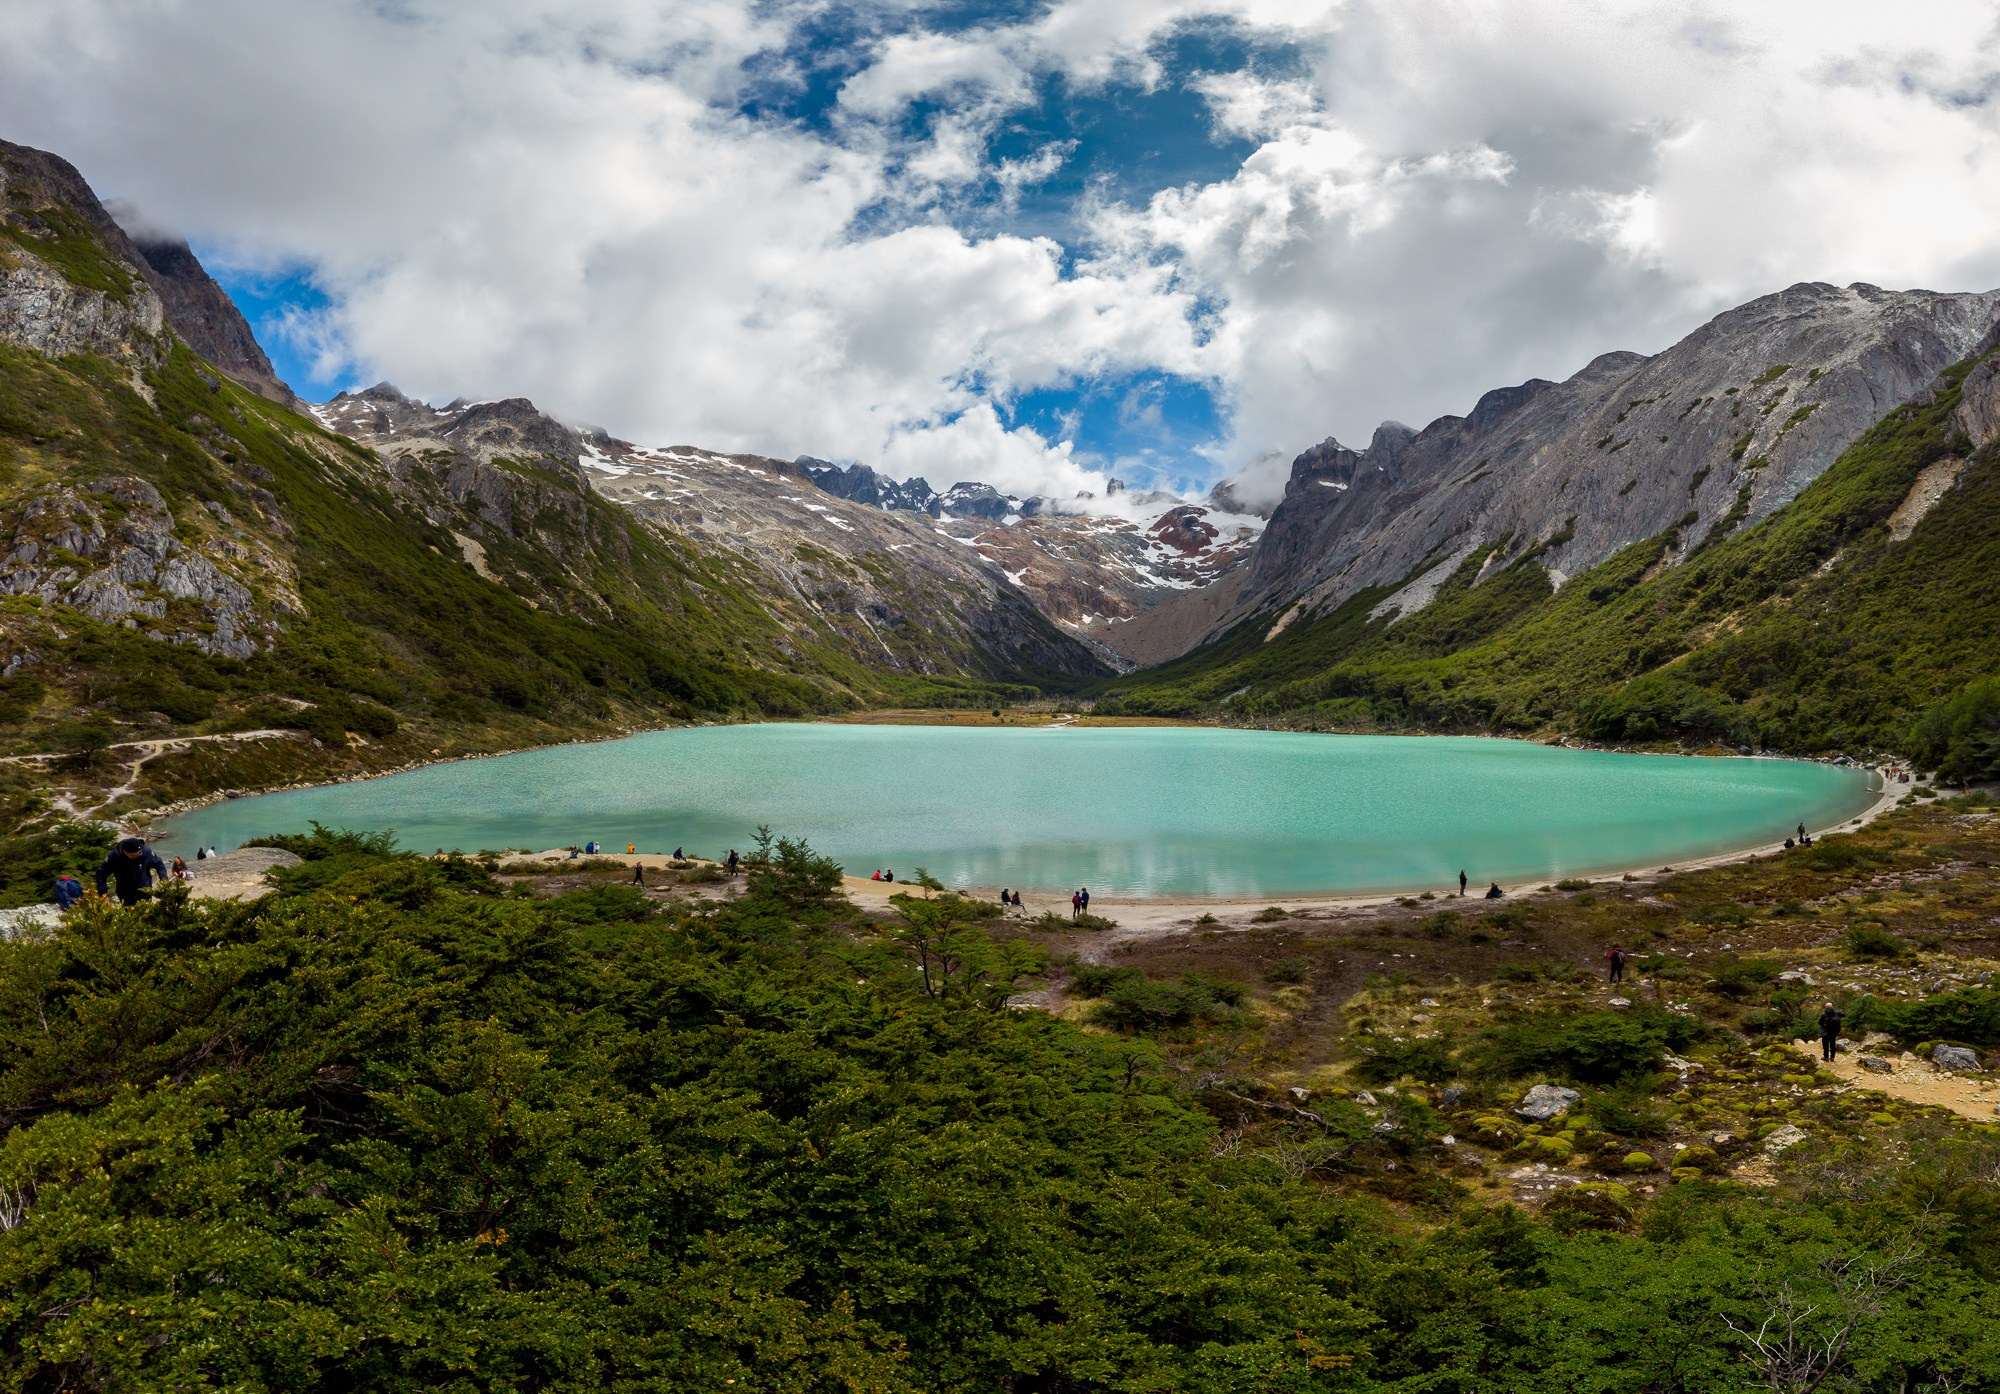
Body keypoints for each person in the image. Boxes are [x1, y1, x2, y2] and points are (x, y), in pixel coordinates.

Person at [95, 836, 167, 907]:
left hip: (145, 890)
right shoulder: (114, 857)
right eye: (132, 855)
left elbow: (159, 864)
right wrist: (103, 893)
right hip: (125, 892)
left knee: (147, 914)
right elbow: (101, 873)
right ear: (124, 852)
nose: (136, 856)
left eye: (138, 854)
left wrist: (164, 881)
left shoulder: (146, 852)